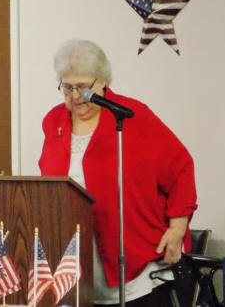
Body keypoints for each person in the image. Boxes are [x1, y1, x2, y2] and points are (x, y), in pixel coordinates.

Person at [38, 39, 197, 306]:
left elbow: (181, 167)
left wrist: (177, 228)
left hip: (133, 261)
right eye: (67, 87)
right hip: (76, 263)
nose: (75, 96)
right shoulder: (54, 121)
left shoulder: (132, 116)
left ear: (102, 81)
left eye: (82, 87)